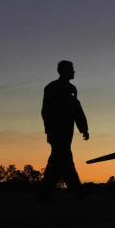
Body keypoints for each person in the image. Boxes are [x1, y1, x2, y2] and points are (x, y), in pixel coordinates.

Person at [39, 60, 89, 200]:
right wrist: (49, 131)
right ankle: (77, 190)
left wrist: (83, 128)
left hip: (68, 131)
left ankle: (46, 192)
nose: (74, 72)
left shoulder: (72, 89)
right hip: (56, 131)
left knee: (58, 160)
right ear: (62, 71)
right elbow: (46, 111)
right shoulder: (51, 88)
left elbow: (76, 109)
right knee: (64, 158)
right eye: (71, 69)